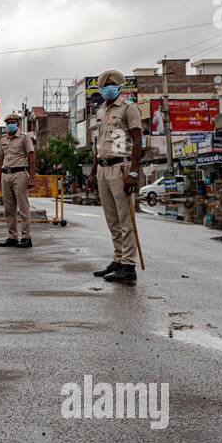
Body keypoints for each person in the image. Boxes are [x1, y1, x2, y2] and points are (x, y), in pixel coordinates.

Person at [86, 69, 143, 284]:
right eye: (104, 84)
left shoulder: (129, 109)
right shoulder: (101, 110)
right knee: (112, 220)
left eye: (111, 84)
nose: (107, 87)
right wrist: (92, 173)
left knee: (125, 218)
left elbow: (138, 141)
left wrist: (134, 172)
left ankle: (128, 265)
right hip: (102, 167)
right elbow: (98, 145)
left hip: (121, 167)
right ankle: (119, 259)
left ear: (119, 86)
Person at [0, 112, 36, 248]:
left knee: (23, 208)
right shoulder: (3, 140)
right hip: (5, 174)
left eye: (12, 122)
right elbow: (1, 160)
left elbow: (31, 157)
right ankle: (12, 236)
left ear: (18, 124)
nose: (10, 125)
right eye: (7, 123)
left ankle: (26, 237)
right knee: (9, 208)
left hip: (20, 173)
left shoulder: (25, 138)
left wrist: (32, 178)